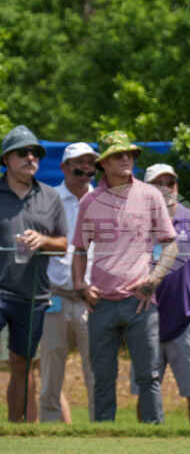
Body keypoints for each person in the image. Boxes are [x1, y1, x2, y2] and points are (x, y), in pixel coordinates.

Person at [73, 131, 177, 423]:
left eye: (129, 154)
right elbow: (80, 251)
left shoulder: (151, 194)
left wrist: (154, 279)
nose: (126, 159)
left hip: (140, 302)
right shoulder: (89, 201)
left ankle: (154, 441)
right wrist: (81, 286)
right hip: (100, 304)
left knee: (149, 376)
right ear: (103, 163)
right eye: (119, 155)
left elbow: (171, 244)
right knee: (103, 377)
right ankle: (104, 439)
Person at [139, 164, 190, 424]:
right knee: (146, 386)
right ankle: (146, 441)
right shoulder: (136, 221)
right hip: (145, 319)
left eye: (170, 183)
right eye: (158, 184)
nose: (166, 189)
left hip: (188, 320)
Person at [0, 126, 68, 422]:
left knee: (23, 363)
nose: (31, 157)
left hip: (33, 295)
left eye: (35, 153)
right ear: (6, 159)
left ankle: (17, 430)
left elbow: (64, 244)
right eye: (23, 152)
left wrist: (44, 241)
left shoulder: (50, 196)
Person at [38, 142, 98, 423]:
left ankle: (103, 431)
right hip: (55, 296)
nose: (86, 168)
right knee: (51, 372)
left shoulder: (103, 201)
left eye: (90, 163)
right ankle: (49, 430)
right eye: (79, 163)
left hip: (93, 300)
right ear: (63, 167)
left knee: (97, 371)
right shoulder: (46, 199)